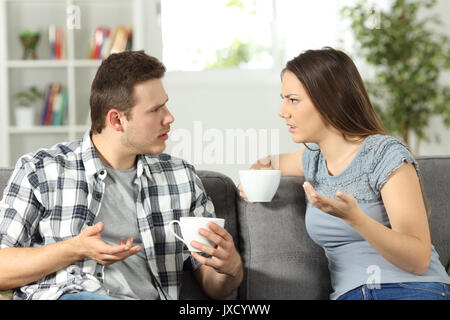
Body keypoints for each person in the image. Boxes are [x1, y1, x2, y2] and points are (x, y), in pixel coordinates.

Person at [0, 50, 243, 300]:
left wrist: (231, 268)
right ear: (116, 120)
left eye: (166, 104)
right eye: (155, 110)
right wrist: (74, 249)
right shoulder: (41, 170)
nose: (169, 117)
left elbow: (215, 287)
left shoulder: (181, 178)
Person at [239, 47, 450, 300]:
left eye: (293, 100)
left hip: (412, 289)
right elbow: (268, 162)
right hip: (352, 294)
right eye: (283, 99)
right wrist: (255, 177)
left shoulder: (384, 154)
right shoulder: (313, 158)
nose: (282, 112)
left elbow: (418, 259)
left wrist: (356, 219)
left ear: (331, 99)